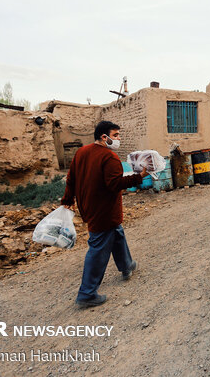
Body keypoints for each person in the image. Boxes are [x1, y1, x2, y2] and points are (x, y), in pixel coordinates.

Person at [61, 120, 148, 308]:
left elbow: (71, 179)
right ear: (104, 137)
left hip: (88, 206)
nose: (119, 139)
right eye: (116, 135)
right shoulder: (109, 157)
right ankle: (87, 293)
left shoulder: (82, 152)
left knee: (116, 232)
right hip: (104, 210)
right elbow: (115, 184)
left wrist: (68, 200)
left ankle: (126, 265)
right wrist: (139, 177)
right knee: (98, 247)